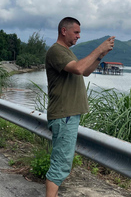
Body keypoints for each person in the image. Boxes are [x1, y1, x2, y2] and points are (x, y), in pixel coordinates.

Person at [44, 17, 115, 197]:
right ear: (64, 31)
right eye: (76, 32)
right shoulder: (56, 51)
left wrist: (100, 56)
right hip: (64, 114)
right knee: (60, 164)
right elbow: (77, 68)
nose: (79, 36)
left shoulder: (67, 52)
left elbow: (85, 71)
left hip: (68, 115)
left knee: (62, 162)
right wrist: (98, 48)